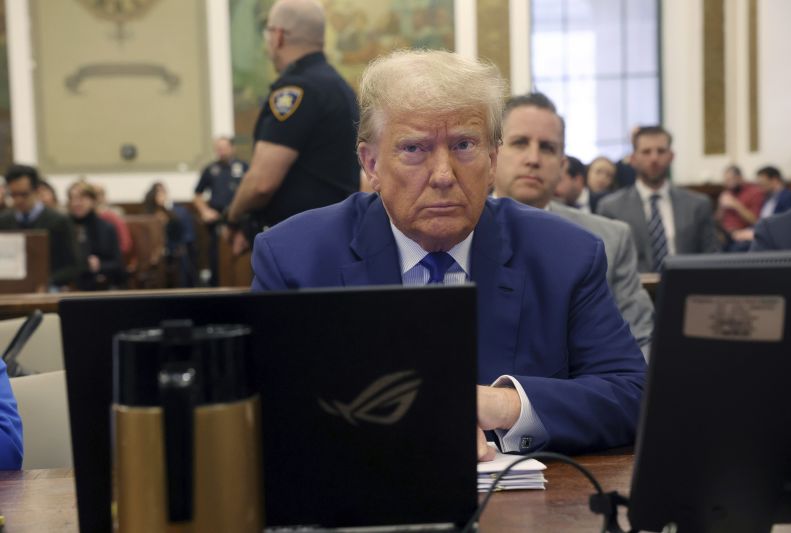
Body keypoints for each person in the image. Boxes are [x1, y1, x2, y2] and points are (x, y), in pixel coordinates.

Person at [251, 50, 646, 458]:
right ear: (371, 163)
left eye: (464, 145)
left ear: (492, 160)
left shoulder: (564, 256)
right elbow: (261, 408)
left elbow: (633, 393)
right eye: (414, 148)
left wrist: (507, 405)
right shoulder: (294, 259)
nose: (443, 175)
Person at [494, 92, 654, 360]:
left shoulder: (609, 239)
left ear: (562, 165)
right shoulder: (459, 233)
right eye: (520, 143)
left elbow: (640, 341)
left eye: (547, 148)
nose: (533, 159)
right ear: (493, 153)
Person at [225, 0, 360, 254]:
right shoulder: (338, 86)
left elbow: (261, 183)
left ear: (277, 36)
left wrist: (232, 218)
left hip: (299, 246)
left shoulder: (297, 89)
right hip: (334, 238)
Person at [596, 126, 718, 272]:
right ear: (633, 159)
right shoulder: (611, 208)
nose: (654, 158)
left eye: (661, 151)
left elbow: (712, 258)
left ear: (671, 156)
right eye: (646, 152)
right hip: (633, 285)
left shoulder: (697, 205)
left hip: (686, 284)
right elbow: (607, 264)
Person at [0, 164, 79, 288]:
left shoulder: (59, 221)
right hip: (10, 288)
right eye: (13, 195)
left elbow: (75, 264)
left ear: (37, 191)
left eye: (24, 194)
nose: (18, 200)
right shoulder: (3, 221)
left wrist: (48, 281)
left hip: (50, 287)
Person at [194, 137, 248, 286]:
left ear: (232, 148)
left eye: (224, 148)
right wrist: (205, 211)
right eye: (218, 149)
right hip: (217, 221)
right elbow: (197, 195)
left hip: (240, 221)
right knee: (216, 259)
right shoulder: (211, 169)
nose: (221, 151)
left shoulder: (243, 166)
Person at [66, 181, 124, 291]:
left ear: (93, 201)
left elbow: (118, 265)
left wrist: (100, 265)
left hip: (102, 284)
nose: (76, 203)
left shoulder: (106, 228)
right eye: (72, 199)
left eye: (81, 198)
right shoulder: (63, 227)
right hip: (69, 285)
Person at [144, 182, 197, 287]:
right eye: (157, 193)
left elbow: (180, 235)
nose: (161, 196)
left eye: (163, 192)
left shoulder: (175, 213)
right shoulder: (148, 216)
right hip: (153, 253)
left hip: (173, 250)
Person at [715, 164, 764, 251]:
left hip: (744, 234)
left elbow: (755, 220)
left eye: (730, 179)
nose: (728, 183)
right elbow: (717, 220)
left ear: (740, 177)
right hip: (725, 234)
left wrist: (736, 205)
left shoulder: (754, 192)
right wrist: (721, 208)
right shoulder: (727, 193)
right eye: (726, 180)